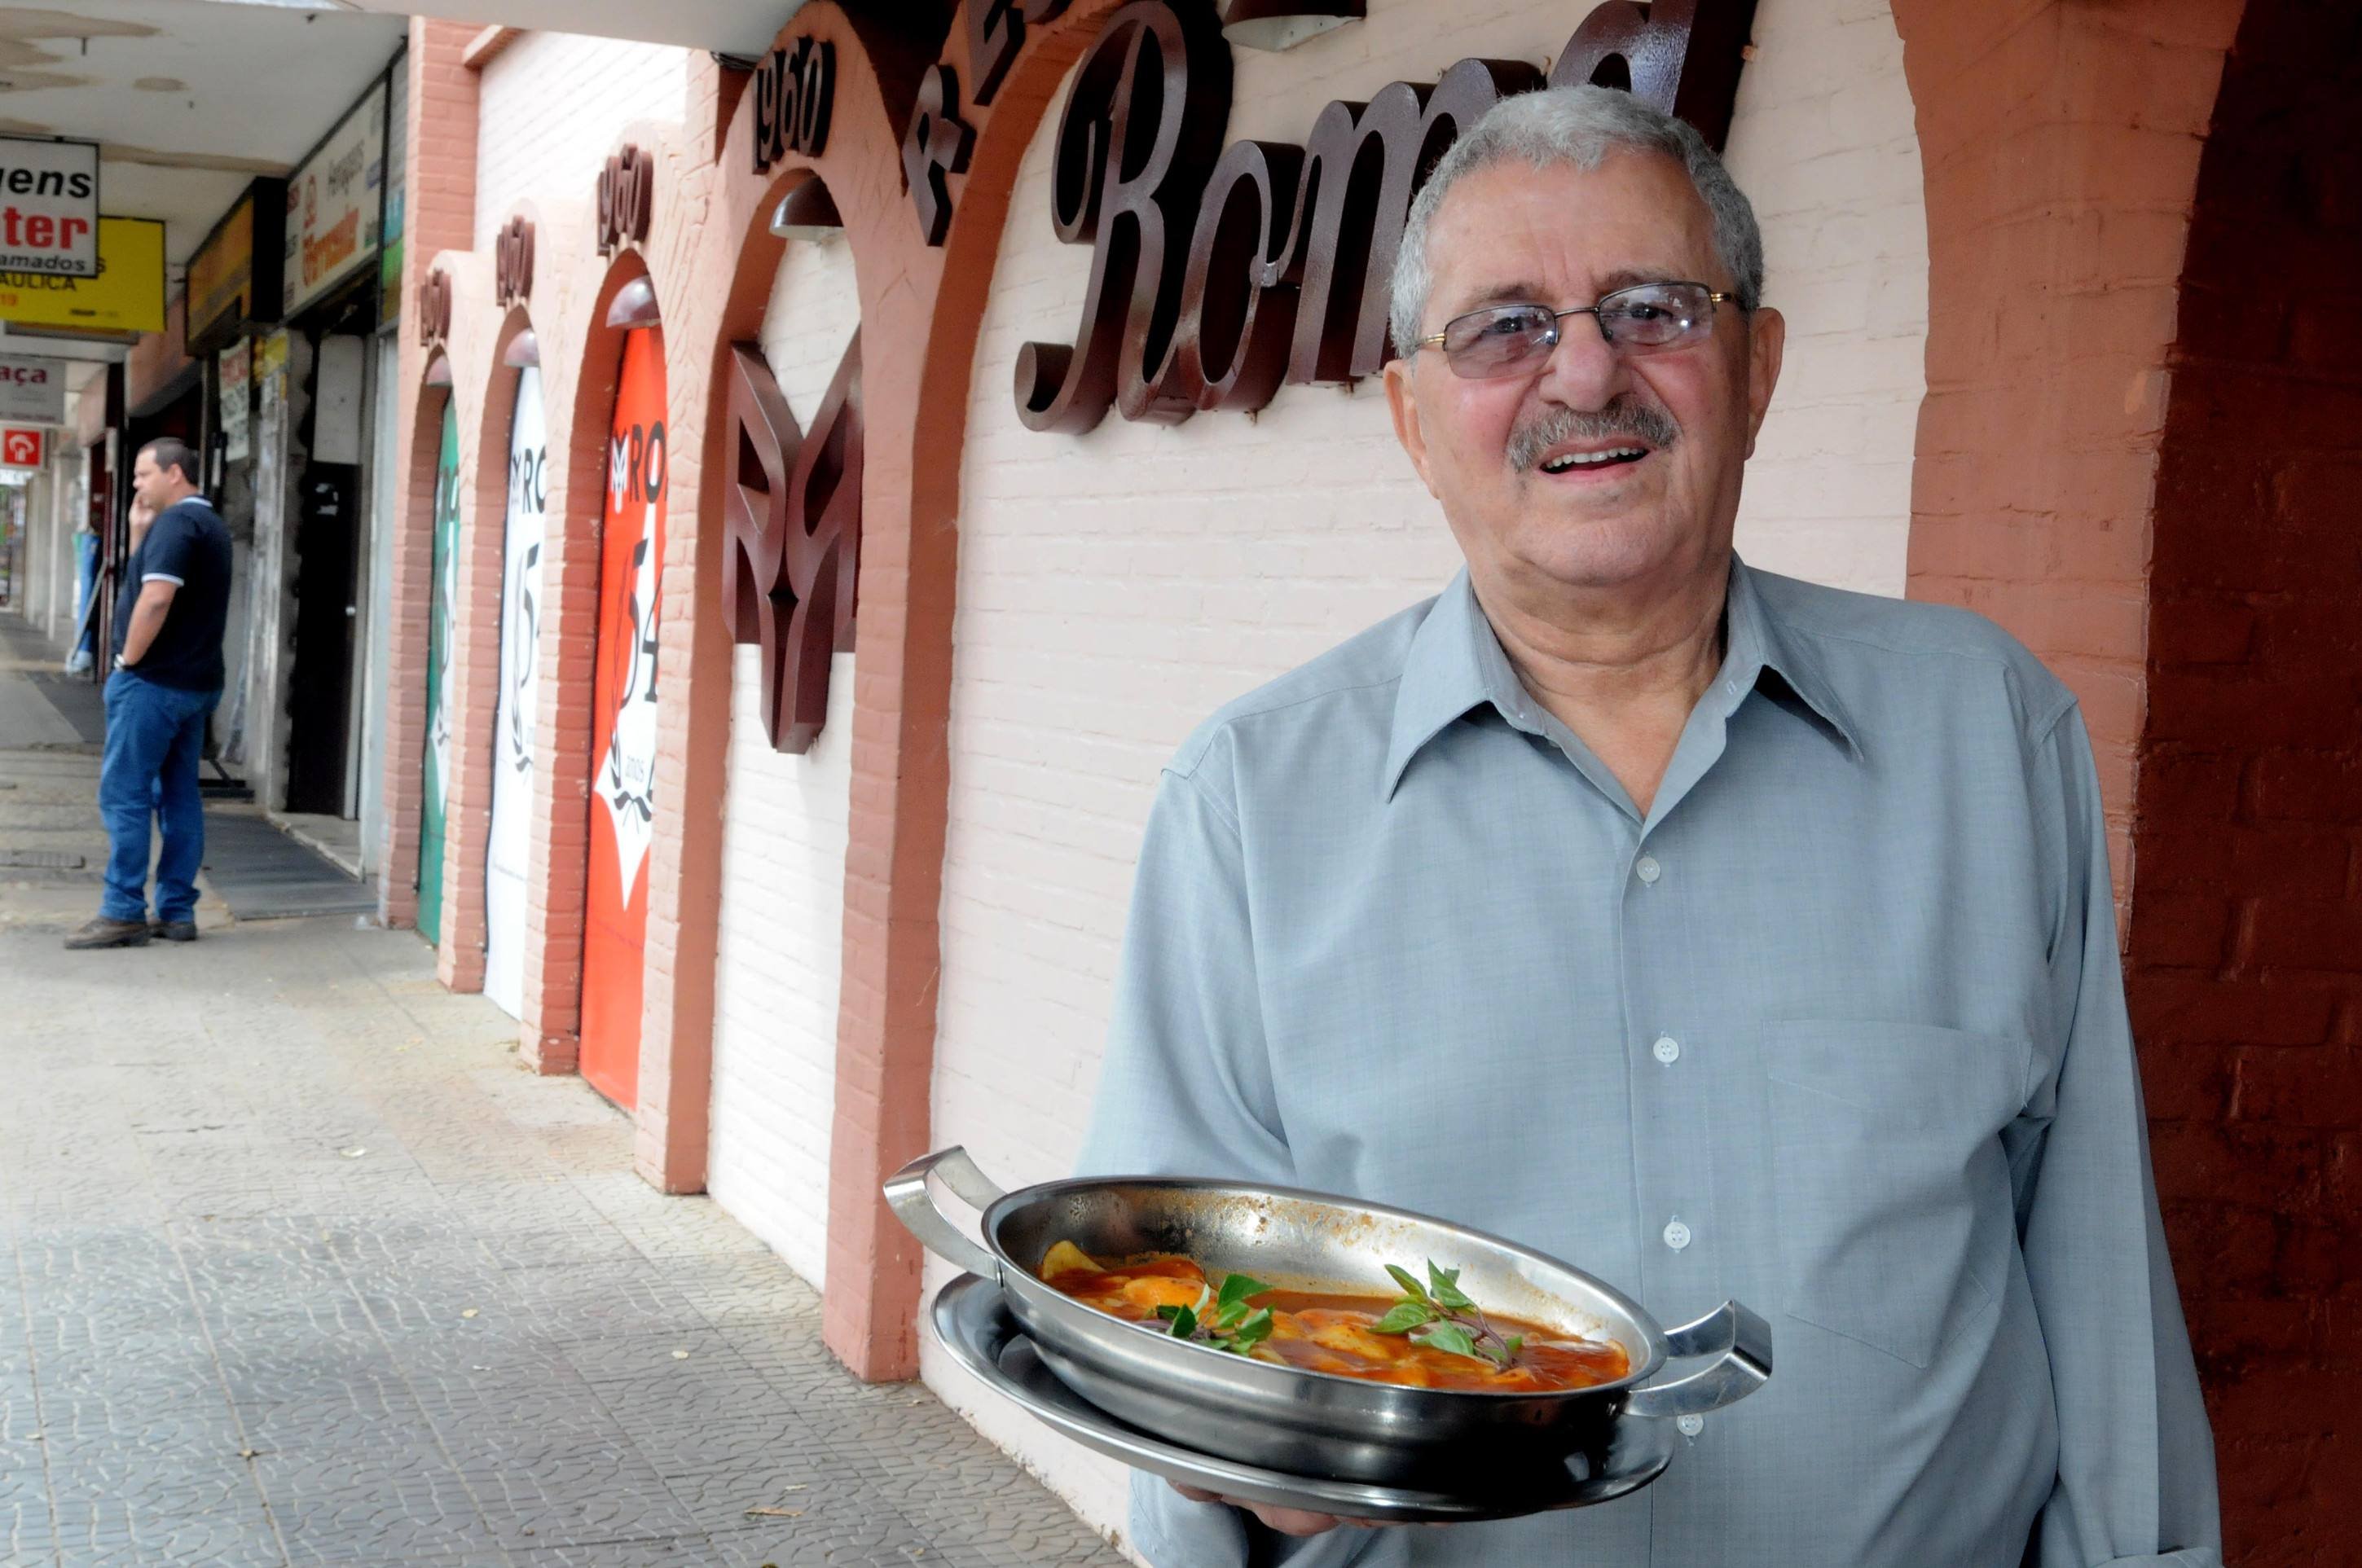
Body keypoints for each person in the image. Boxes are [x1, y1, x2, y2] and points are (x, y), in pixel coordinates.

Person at [1074, 86, 2219, 1567]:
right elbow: (1173, 1319)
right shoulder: (1246, 808)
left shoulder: (1987, 738)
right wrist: (1229, 1465)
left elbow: (2093, 1270)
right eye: (1503, 327)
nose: (1584, 371)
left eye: (1653, 308)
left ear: (1757, 365)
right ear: (1413, 420)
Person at [64, 439, 232, 950]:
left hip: (154, 684)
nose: (135, 485)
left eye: (142, 475)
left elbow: (156, 600)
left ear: (174, 473)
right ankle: (177, 912)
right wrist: (139, 532)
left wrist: (125, 662)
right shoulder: (209, 526)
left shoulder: (179, 524)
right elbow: (150, 583)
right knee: (179, 796)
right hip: (194, 685)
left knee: (125, 795)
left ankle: (122, 911)